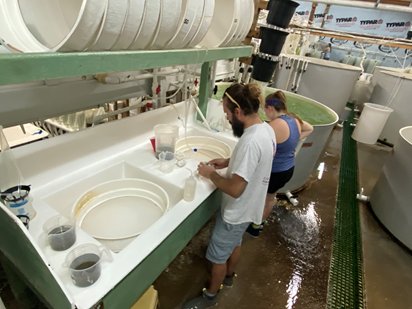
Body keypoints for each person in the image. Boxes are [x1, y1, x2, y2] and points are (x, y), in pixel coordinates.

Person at [183, 83, 276, 309]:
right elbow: (256, 163)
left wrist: (211, 174)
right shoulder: (265, 129)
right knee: (235, 243)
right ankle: (229, 276)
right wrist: (228, 162)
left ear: (238, 111)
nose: (226, 119)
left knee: (216, 257)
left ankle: (210, 296)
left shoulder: (250, 141)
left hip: (236, 211)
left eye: (226, 113)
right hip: (250, 208)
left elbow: (235, 189)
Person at [246, 90, 313, 237]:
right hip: (288, 169)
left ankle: (255, 226)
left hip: (274, 172)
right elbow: (310, 128)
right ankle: (261, 222)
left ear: (270, 108)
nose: (265, 114)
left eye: (265, 110)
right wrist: (294, 141)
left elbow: (257, 145)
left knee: (262, 198)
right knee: (270, 198)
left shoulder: (274, 125)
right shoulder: (294, 119)